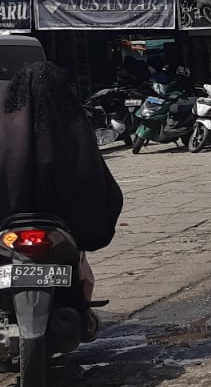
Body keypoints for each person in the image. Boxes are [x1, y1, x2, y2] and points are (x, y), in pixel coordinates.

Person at [0, 63, 124, 301]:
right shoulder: (72, 125)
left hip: (9, 220)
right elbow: (91, 175)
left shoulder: (6, 126)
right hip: (61, 222)